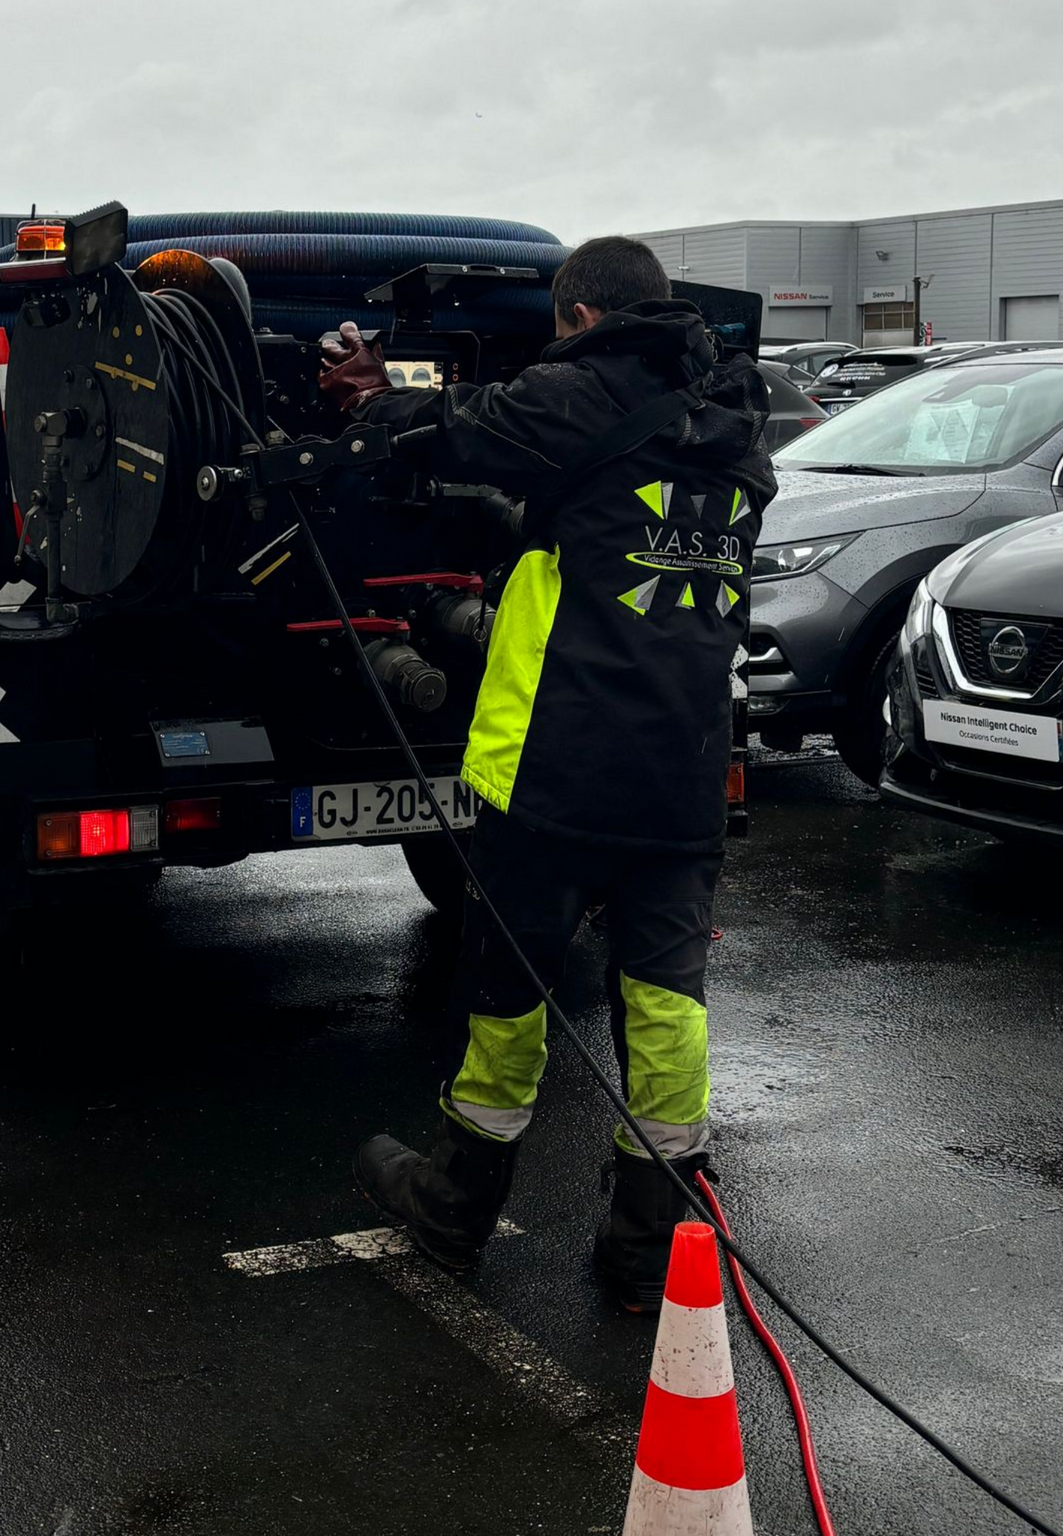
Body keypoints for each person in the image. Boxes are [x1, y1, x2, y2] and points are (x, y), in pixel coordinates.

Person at [319, 237, 776, 1311]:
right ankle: (645, 1242)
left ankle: (454, 1205)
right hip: (683, 770)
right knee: (667, 1002)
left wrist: (371, 393)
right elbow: (614, 534)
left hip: (559, 765)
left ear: (576, 318)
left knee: (509, 994)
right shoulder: (734, 416)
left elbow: (436, 430)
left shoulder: (579, 390)